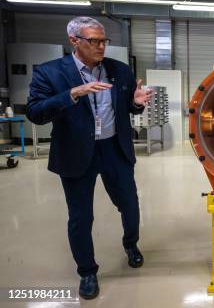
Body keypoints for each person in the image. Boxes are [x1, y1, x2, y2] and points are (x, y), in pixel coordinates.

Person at [26, 16, 153, 300]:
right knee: (81, 217)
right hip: (76, 153)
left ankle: (131, 244)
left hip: (114, 149)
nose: (101, 47)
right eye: (93, 41)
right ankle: (87, 271)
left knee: (130, 205)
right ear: (74, 41)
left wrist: (136, 102)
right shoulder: (50, 73)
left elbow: (129, 108)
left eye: (103, 41)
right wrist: (73, 93)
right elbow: (35, 112)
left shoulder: (118, 70)